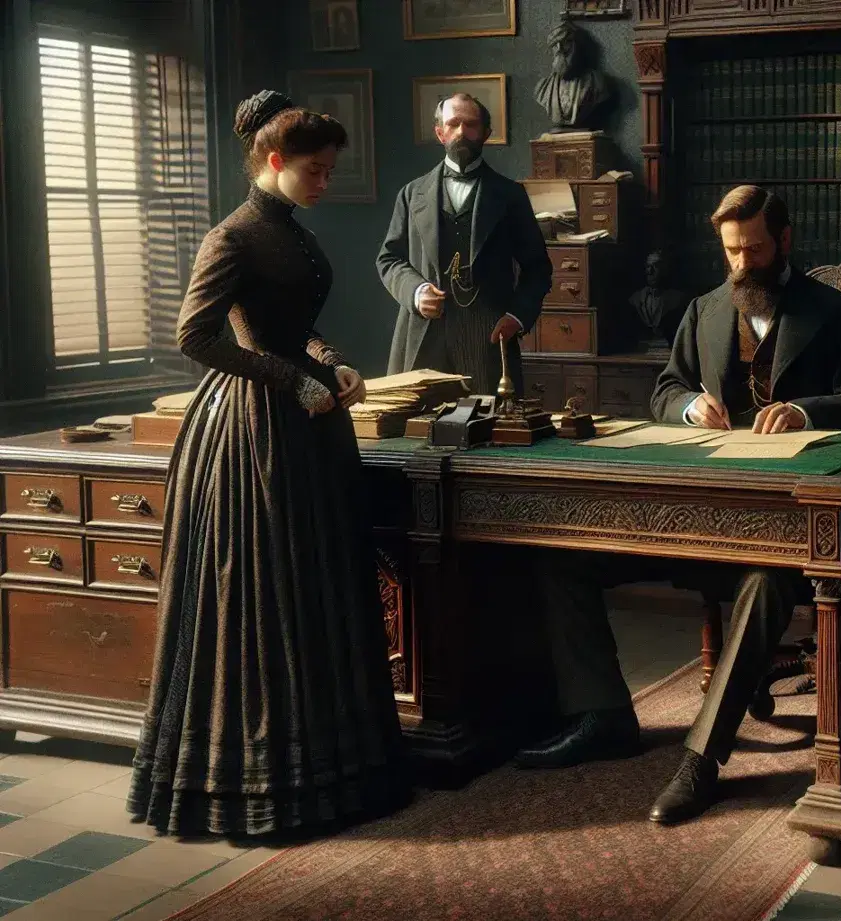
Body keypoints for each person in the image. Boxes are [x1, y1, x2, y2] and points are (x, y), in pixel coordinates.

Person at [522, 186, 841, 827]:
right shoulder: (704, 309)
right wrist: (692, 405)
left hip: (791, 524)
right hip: (702, 508)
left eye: (753, 249)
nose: (743, 265)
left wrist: (806, 411)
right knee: (564, 555)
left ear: (784, 241)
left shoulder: (833, 312)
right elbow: (666, 389)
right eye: (731, 253)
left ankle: (700, 761)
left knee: (767, 582)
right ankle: (605, 713)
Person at [127, 90, 412, 839]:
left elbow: (293, 325)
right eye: (315, 172)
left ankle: (336, 777)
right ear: (275, 161)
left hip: (309, 425)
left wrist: (333, 361)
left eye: (328, 171)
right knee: (269, 592)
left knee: (316, 587)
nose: (324, 184)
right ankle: (264, 788)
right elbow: (197, 336)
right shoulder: (233, 236)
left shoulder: (290, 229)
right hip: (253, 433)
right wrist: (291, 379)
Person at [378, 93, 550, 396]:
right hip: (423, 336)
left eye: (470, 124)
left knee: (491, 431)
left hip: (486, 338)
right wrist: (416, 293)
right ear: (440, 132)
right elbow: (389, 259)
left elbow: (538, 268)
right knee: (415, 432)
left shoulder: (510, 196)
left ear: (485, 133)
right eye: (453, 124)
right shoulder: (410, 194)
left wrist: (517, 316)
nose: (461, 132)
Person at [533, 19, 612, 129]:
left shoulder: (597, 83)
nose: (560, 50)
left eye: (566, 42)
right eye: (555, 45)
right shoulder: (542, 89)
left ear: (577, 46)